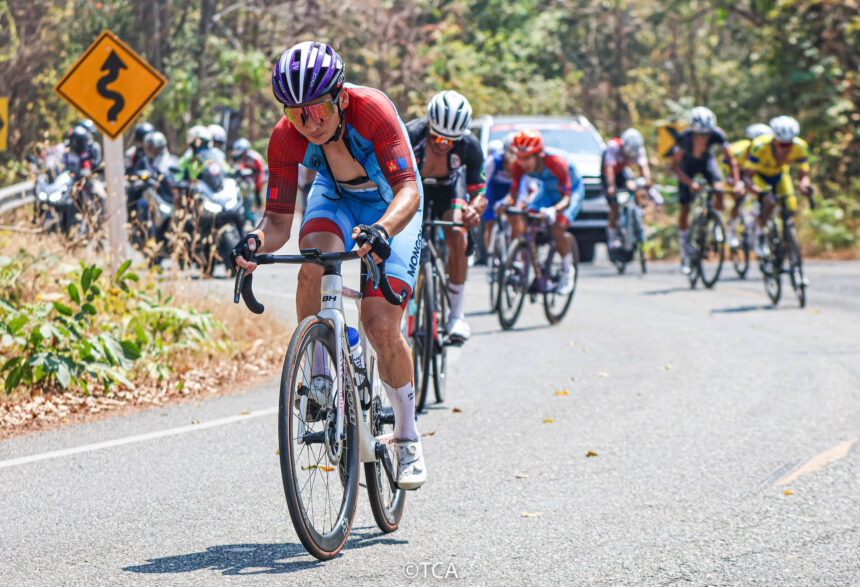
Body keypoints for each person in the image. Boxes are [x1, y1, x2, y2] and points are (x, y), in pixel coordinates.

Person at [230, 41, 427, 489]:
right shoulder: (285, 135)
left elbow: (409, 193)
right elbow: (278, 221)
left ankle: (407, 435)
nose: (310, 123)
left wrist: (382, 230)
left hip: (389, 203)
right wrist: (255, 241)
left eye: (318, 108)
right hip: (335, 197)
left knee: (380, 324)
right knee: (311, 263)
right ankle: (321, 369)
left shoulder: (371, 110)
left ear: (339, 96)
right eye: (297, 113)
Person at [405, 90, 486, 343]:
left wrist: (474, 209)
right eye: (438, 136)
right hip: (413, 187)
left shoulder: (470, 146)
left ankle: (456, 315)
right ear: (429, 124)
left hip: (448, 188)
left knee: (457, 234)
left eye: (450, 140)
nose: (443, 144)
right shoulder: (410, 135)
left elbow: (480, 191)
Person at [504, 129, 583, 295]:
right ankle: (535, 265)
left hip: (571, 192)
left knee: (557, 228)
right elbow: (514, 193)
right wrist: (510, 205)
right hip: (546, 190)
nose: (522, 163)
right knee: (528, 219)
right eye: (519, 157)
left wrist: (554, 211)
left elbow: (566, 198)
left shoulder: (556, 162)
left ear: (539, 154)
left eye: (526, 158)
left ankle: (568, 270)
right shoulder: (518, 165)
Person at [669, 106, 741, 272]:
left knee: (718, 188)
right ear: (693, 131)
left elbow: (731, 160)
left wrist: (736, 182)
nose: (703, 138)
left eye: (706, 135)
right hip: (687, 167)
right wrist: (689, 183)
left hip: (706, 162)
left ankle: (715, 223)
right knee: (685, 208)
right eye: (699, 135)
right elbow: (674, 166)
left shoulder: (717, 134)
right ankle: (684, 251)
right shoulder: (684, 138)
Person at [743, 115, 812, 257]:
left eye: (789, 144)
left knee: (790, 208)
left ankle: (789, 242)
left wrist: (805, 185)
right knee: (769, 202)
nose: (786, 148)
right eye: (782, 144)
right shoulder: (759, 145)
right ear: (774, 141)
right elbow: (747, 177)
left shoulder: (800, 146)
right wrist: (758, 192)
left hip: (780, 175)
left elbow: (803, 175)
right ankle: (761, 235)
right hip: (759, 176)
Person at [718, 123, 773, 248]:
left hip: (752, 175)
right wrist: (735, 183)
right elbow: (727, 172)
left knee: (765, 197)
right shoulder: (736, 150)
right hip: (733, 173)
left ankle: (758, 227)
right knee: (739, 195)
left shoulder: (766, 153)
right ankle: (731, 228)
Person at [602, 128, 652, 251]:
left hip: (622, 172)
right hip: (608, 174)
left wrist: (647, 182)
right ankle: (612, 238)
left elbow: (644, 167)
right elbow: (609, 169)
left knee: (634, 188)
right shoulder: (613, 146)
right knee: (614, 207)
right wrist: (611, 187)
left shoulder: (639, 148)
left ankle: (637, 214)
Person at [230, 137, 268, 209]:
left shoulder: (254, 157)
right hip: (248, 175)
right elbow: (238, 164)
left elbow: (260, 170)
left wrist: (252, 174)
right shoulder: (240, 156)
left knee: (257, 191)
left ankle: (258, 207)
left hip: (258, 175)